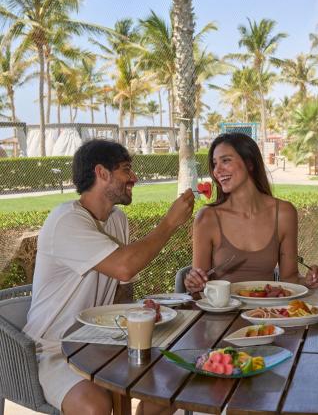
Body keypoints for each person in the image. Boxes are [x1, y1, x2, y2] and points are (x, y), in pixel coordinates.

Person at [24, 139, 194, 415]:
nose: (134, 177)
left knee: (174, 384)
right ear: (102, 173)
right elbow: (124, 266)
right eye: (126, 169)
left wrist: (136, 319)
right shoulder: (65, 220)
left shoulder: (117, 220)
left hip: (101, 339)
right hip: (53, 348)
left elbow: (122, 287)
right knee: (95, 407)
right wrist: (169, 223)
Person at [184, 132, 318, 294]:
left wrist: (309, 281)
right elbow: (199, 286)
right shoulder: (207, 218)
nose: (217, 171)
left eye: (225, 161)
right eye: (214, 163)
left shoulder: (284, 213)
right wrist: (194, 283)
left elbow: (290, 279)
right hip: (221, 315)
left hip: (267, 313)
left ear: (249, 163)